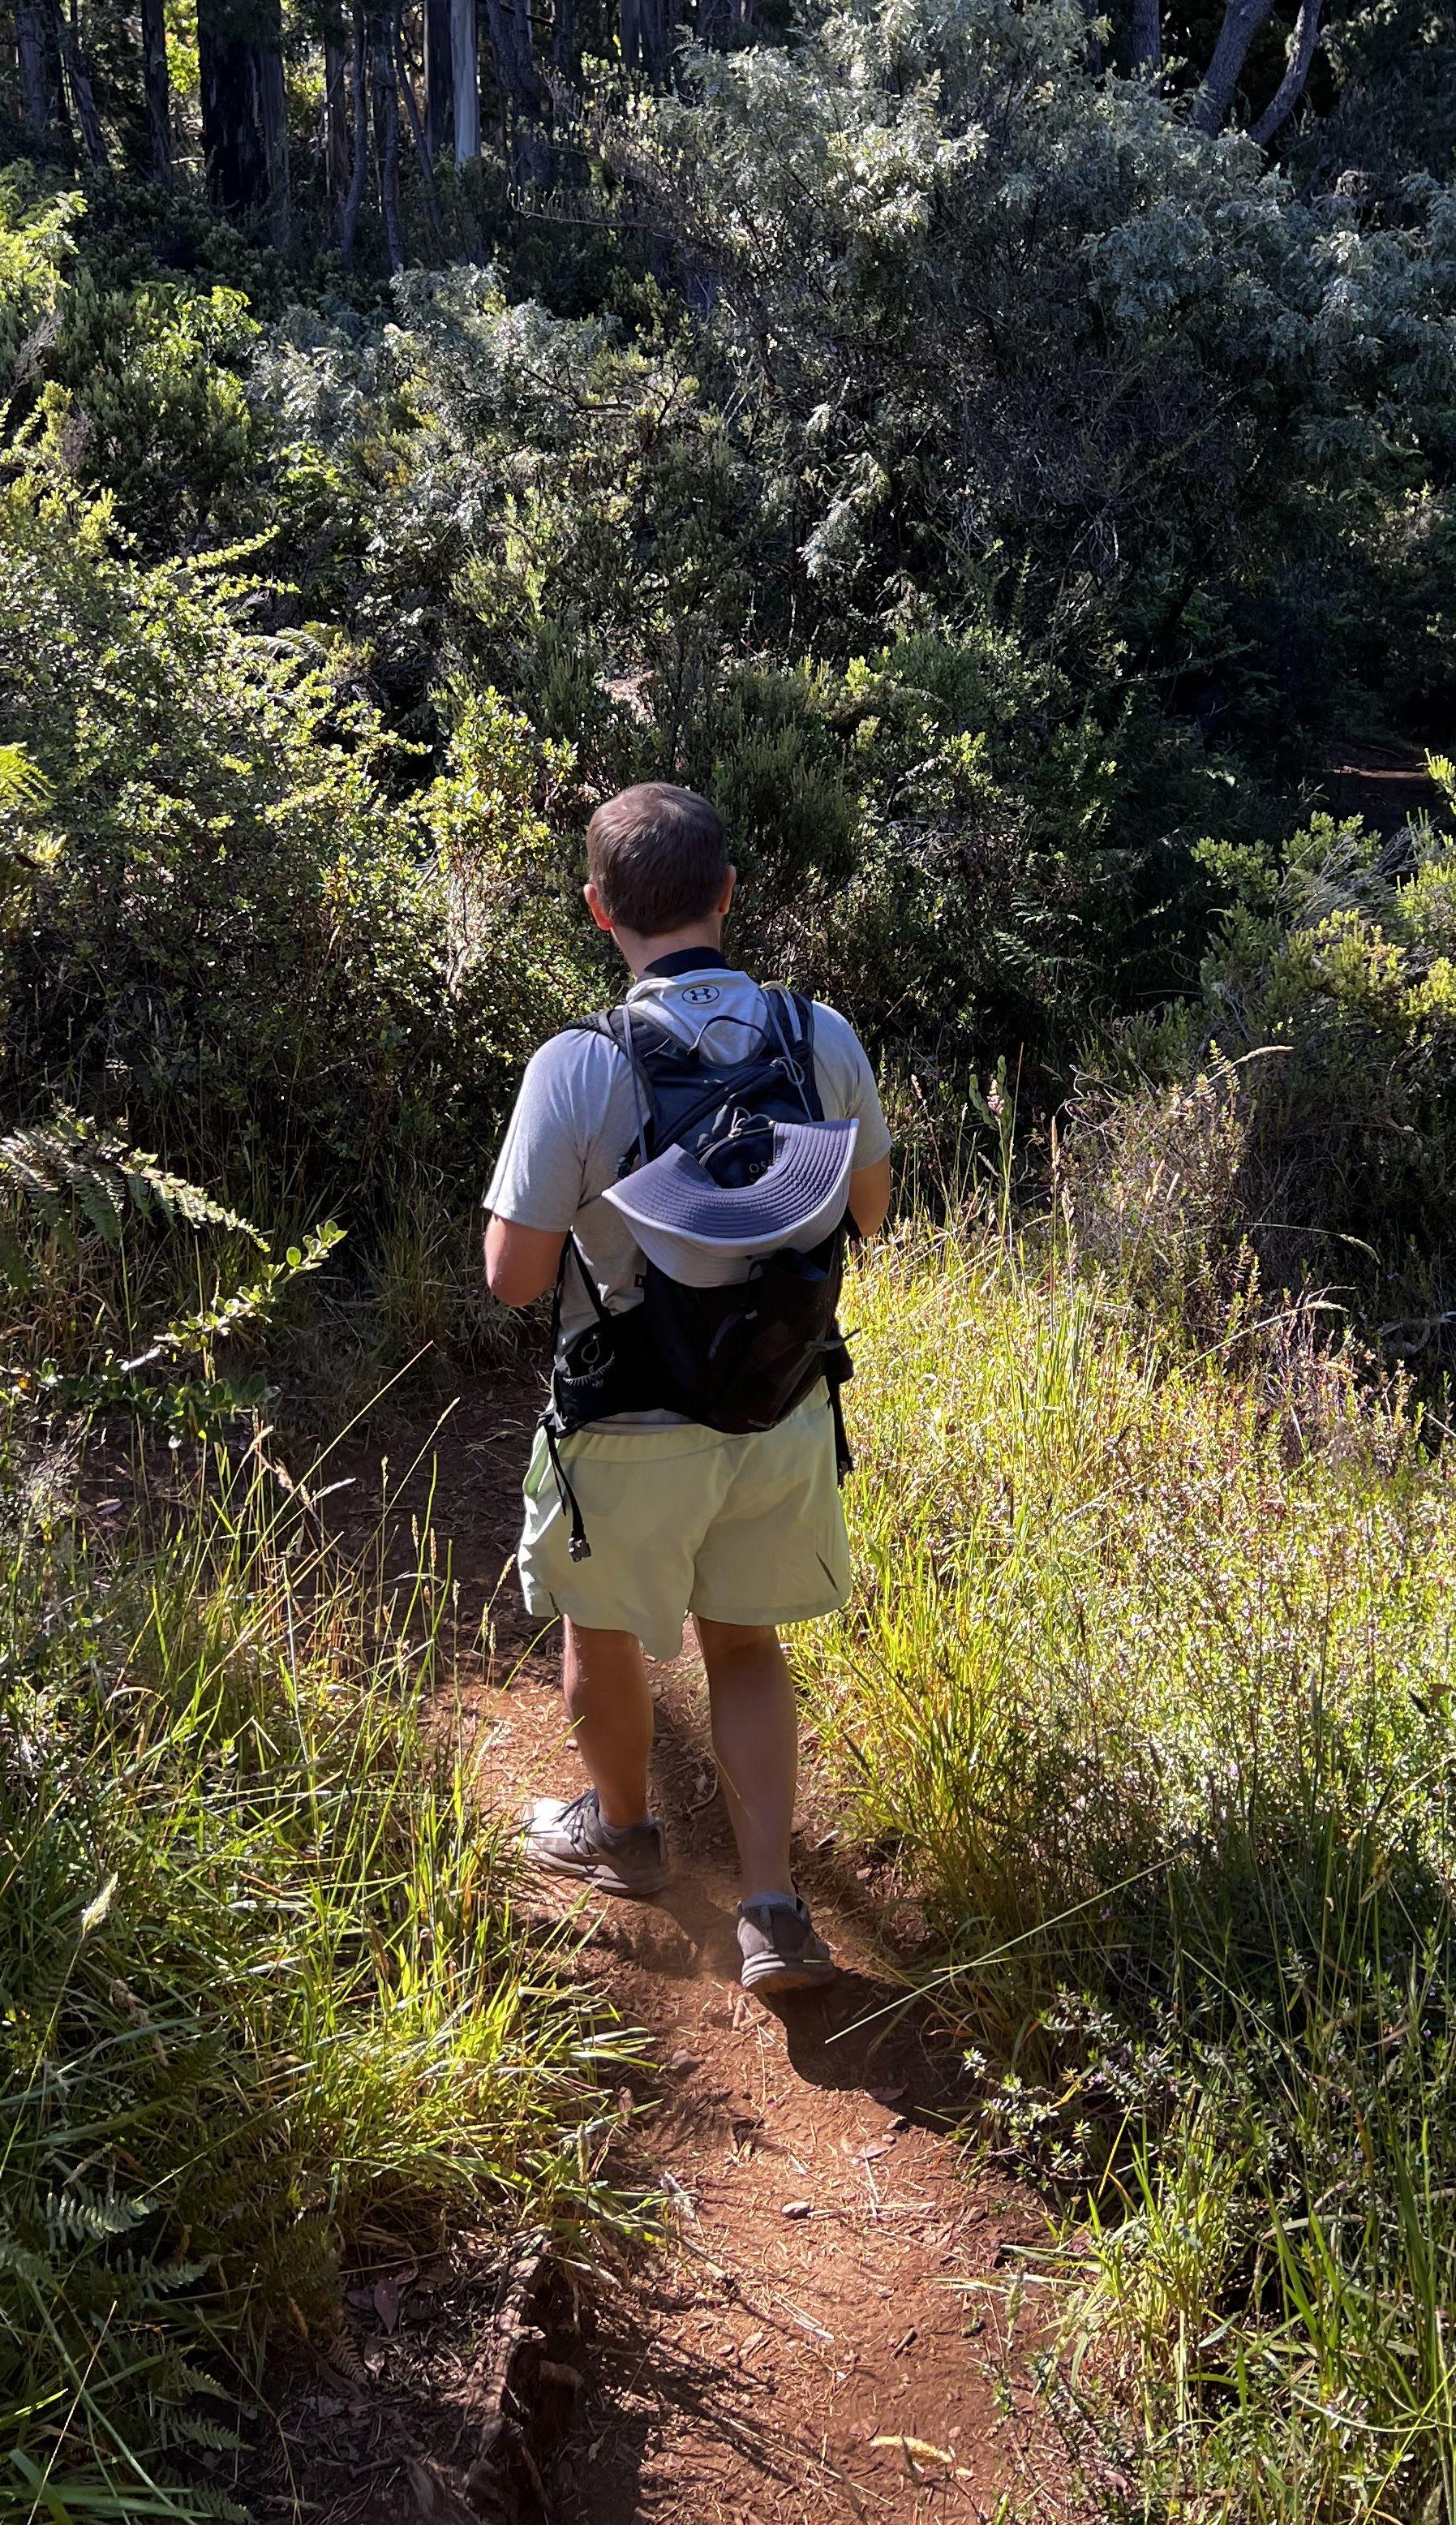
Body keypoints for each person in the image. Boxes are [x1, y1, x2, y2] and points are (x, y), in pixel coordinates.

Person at [481, 782, 891, 1999]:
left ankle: (623, 1833)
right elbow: (868, 1213)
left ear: (599, 910)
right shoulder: (819, 1035)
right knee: (747, 1643)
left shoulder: (580, 1064)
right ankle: (772, 1906)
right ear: (726, 892)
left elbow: (514, 1280)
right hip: (779, 1405)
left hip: (625, 1422)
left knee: (598, 1634)